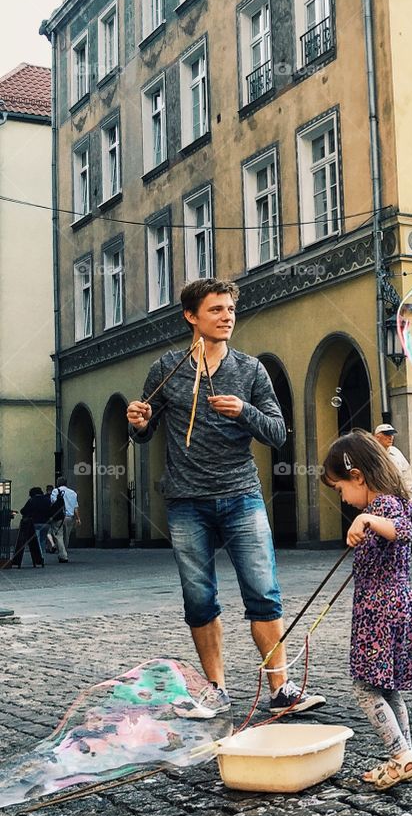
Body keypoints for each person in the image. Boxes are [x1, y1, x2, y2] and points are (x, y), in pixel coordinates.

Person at [126, 277, 324, 719]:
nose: (227, 316)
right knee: (198, 599)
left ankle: (281, 688)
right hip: (186, 502)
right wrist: (137, 421)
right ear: (191, 317)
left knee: (264, 594)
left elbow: (276, 433)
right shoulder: (167, 368)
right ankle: (215, 690)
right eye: (216, 310)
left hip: (241, 496)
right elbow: (143, 432)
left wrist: (244, 411)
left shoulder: (250, 370)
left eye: (230, 309)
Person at [321, 430, 412, 791]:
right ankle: (407, 757)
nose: (344, 499)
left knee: (364, 687)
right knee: (388, 688)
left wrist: (366, 521)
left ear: (358, 477)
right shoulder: (398, 501)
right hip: (398, 604)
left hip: (379, 609)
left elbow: (404, 531)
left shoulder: (382, 507)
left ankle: (400, 755)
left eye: (340, 489)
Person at [9, 488, 48, 569]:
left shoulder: (32, 500)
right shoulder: (47, 499)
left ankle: (40, 556)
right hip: (46, 523)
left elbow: (23, 510)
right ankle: (42, 556)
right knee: (43, 540)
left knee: (36, 540)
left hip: (34, 523)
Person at [373, 423, 412, 494]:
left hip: (399, 495)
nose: (391, 437)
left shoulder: (396, 452)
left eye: (392, 435)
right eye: (387, 434)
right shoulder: (371, 453)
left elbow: (407, 473)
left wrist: (407, 493)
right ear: (377, 437)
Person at [50, 478, 80, 562]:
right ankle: (64, 551)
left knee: (58, 535)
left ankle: (63, 555)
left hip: (59, 517)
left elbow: (53, 503)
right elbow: (75, 507)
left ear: (57, 483)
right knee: (66, 536)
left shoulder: (55, 491)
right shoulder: (73, 493)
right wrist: (78, 518)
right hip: (70, 517)